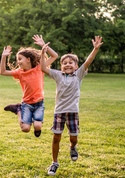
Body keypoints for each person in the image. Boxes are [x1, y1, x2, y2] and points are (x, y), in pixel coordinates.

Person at [42, 36, 103, 176]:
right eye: (65, 63)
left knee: (73, 137)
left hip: (73, 112)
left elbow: (88, 61)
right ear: (61, 66)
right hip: (59, 112)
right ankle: (54, 163)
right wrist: (43, 51)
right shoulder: (57, 75)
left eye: (71, 63)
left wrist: (95, 49)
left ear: (76, 66)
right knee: (56, 137)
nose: (68, 64)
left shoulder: (79, 74)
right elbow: (43, 67)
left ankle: (72, 147)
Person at [0, 35, 58, 137]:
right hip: (26, 104)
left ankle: (36, 127)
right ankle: (18, 109)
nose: (18, 62)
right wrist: (3, 57)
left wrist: (44, 45)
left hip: (39, 103)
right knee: (25, 129)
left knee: (38, 126)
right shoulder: (19, 72)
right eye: (17, 59)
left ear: (28, 59)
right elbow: (2, 72)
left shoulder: (40, 68)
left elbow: (54, 56)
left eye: (20, 59)